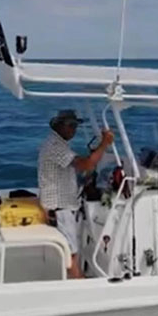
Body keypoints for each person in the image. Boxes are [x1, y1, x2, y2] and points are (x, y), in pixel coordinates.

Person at [38, 109, 114, 278]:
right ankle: (79, 284)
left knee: (71, 251)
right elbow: (86, 165)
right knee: (70, 253)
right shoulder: (55, 146)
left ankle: (78, 280)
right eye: (70, 125)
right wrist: (104, 144)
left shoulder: (58, 144)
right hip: (59, 209)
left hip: (63, 206)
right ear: (59, 126)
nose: (74, 129)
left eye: (75, 126)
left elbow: (77, 166)